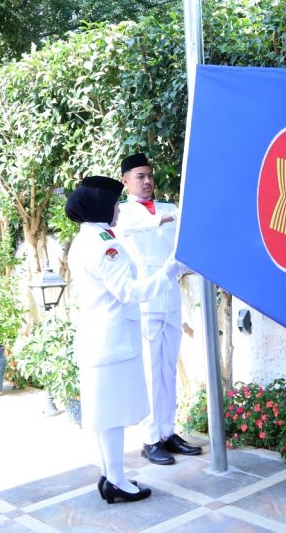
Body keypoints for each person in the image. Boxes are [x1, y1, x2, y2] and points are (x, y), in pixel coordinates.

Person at [64, 175, 182, 504]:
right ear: (101, 206)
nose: (118, 208)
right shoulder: (105, 244)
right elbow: (128, 291)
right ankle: (115, 479)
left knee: (105, 414)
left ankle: (109, 474)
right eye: (115, 203)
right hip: (113, 340)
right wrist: (169, 271)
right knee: (113, 413)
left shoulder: (86, 238)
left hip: (98, 337)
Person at [116, 153, 203, 466]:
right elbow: (136, 224)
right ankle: (150, 438)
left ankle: (168, 431)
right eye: (140, 176)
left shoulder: (168, 208)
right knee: (151, 371)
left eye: (150, 175)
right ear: (126, 180)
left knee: (168, 368)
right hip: (144, 299)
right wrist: (165, 218)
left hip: (170, 297)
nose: (147, 181)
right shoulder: (124, 213)